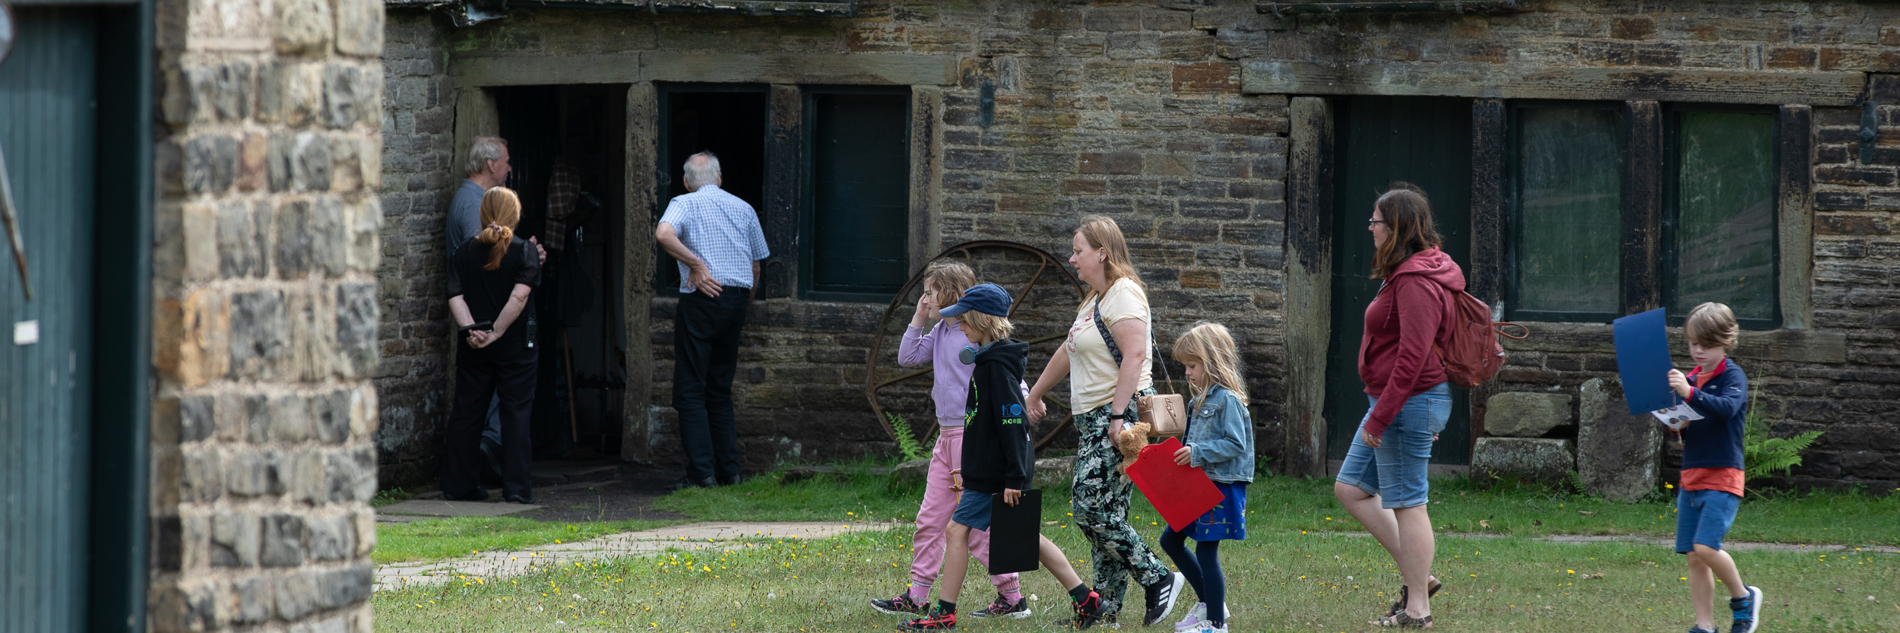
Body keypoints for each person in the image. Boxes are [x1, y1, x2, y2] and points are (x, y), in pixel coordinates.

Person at [897, 284, 1108, 631]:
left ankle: (944, 614)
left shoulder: (995, 368)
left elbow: (1014, 424)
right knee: (1026, 538)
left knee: (955, 530)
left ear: (981, 321)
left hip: (997, 474)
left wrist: (1014, 478)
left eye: (965, 321)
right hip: (991, 469)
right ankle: (1086, 599)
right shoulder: (989, 361)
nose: (960, 328)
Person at [1026, 215, 1185, 627]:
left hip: (1118, 418)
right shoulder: (1095, 300)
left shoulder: (1124, 294)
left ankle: (1158, 577)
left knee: (1090, 509)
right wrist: (1037, 392)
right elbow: (1069, 349)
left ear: (1102, 252)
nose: (1072, 258)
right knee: (1108, 512)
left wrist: (1116, 417)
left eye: (1078, 250)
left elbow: (1134, 356)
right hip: (1094, 420)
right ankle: (1106, 609)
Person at [1331, 183, 1457, 629]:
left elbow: (1415, 355)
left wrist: (1382, 416)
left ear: (1396, 226)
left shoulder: (1416, 279)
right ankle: (1421, 577)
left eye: (1376, 221)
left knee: (1408, 503)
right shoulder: (1406, 271)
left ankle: (1417, 607)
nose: (1370, 228)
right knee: (1351, 488)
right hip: (1396, 401)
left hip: (1405, 402)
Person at [872, 262, 1025, 619]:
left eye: (930, 291)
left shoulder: (972, 336)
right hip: (945, 438)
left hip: (968, 438)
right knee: (930, 518)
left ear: (952, 294)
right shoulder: (941, 329)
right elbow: (907, 357)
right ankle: (917, 594)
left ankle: (1012, 595)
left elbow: (1004, 376)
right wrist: (919, 317)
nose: (924, 298)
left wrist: (1027, 400)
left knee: (973, 526)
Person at [654, 151, 770, 490]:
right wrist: (741, 305)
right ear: (720, 179)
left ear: (687, 182)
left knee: (690, 389)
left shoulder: (684, 202)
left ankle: (701, 475)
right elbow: (757, 266)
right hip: (736, 299)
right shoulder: (743, 207)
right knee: (719, 389)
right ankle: (729, 472)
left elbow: (663, 234)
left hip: (703, 298)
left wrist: (697, 266)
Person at [447, 136, 542, 487]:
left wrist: (473, 329)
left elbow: (454, 295)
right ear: (514, 216)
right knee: (516, 413)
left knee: (467, 413)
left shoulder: (463, 253)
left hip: (474, 341)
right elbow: (518, 298)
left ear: (485, 215)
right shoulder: (525, 252)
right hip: (512, 343)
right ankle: (517, 489)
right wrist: (497, 332)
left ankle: (458, 485)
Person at [1665, 302, 1762, 633]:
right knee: (1694, 555)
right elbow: (1689, 421)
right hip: (1692, 475)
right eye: (1692, 343)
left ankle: (1744, 597)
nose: (1697, 351)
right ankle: (1704, 626)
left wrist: (1689, 393)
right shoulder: (1691, 377)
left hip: (1723, 475)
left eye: (1705, 345)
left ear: (1726, 341)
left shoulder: (1732, 376)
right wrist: (1675, 420)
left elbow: (1724, 409)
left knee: (1707, 546)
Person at [1160, 322, 1253, 633]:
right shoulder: (1196, 401)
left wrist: (1197, 452)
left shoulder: (1227, 400)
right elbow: (1189, 446)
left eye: (1192, 365)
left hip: (1220, 488)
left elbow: (1235, 443)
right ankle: (1208, 604)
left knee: (1206, 549)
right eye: (1186, 366)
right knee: (1170, 539)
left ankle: (1215, 624)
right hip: (1198, 487)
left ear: (1212, 360)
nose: (1187, 372)